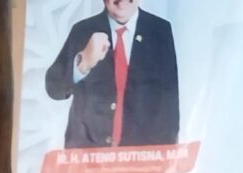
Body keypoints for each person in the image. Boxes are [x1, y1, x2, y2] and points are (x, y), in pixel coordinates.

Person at [45, 0, 179, 149]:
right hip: (88, 154)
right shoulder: (82, 30)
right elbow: (54, 89)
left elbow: (170, 102)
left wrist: (166, 155)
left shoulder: (160, 30)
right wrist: (84, 63)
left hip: (141, 155)